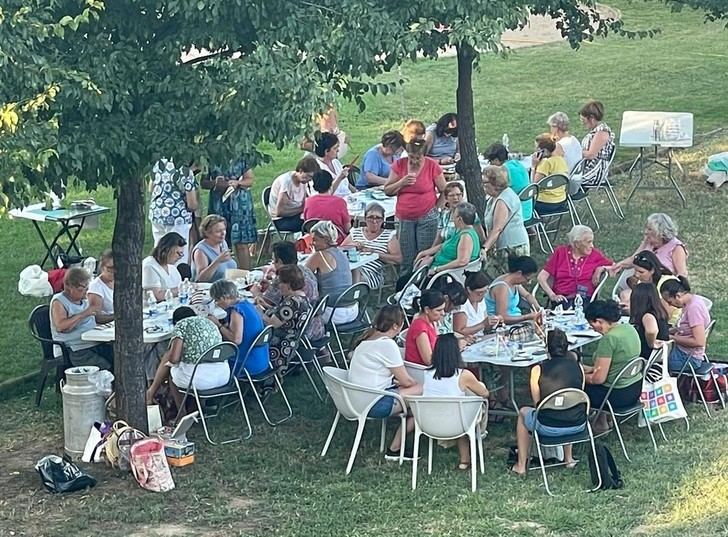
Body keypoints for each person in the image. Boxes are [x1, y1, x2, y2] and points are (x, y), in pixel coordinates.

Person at [347, 306, 422, 460]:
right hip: (375, 403)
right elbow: (406, 380)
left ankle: (397, 446)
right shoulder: (387, 344)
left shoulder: (366, 340)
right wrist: (416, 384)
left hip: (354, 401)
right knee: (426, 392)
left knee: (417, 397)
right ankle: (395, 448)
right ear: (396, 326)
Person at [509, 329, 585, 476]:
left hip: (549, 426)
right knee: (569, 405)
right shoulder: (578, 367)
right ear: (567, 347)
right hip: (578, 423)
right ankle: (568, 459)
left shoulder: (537, 370)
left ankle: (521, 465)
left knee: (523, 412)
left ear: (546, 348)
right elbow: (578, 397)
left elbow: (537, 403)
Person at [423, 333, 489, 470]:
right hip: (459, 422)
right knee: (475, 396)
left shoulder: (426, 374)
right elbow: (485, 394)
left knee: (458, 405)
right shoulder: (464, 375)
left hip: (430, 423)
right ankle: (480, 435)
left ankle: (465, 461)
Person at [146, 306, 228, 408]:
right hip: (223, 376)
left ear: (176, 322)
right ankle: (202, 406)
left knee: (172, 372)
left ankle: (181, 412)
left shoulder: (182, 325)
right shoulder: (210, 324)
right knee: (198, 366)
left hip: (200, 381)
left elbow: (174, 359)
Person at [384, 137, 446, 271]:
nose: (415, 161)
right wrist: (402, 182)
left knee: (424, 254)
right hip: (404, 217)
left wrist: (436, 209)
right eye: (412, 157)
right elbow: (387, 190)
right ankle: (405, 283)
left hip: (427, 216)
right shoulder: (399, 165)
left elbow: (444, 190)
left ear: (424, 155)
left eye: (418, 157)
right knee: (406, 256)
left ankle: (422, 284)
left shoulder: (432, 166)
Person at [583, 300, 642, 431]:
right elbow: (618, 363)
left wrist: (579, 375)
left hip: (616, 396)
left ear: (598, 321)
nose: (592, 329)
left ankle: (593, 423)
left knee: (575, 386)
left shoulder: (609, 339)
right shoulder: (629, 328)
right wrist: (591, 369)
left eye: (592, 325)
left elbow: (598, 379)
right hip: (634, 388)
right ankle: (602, 419)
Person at [256, 242, 322, 341]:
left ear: (280, 261)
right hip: (314, 324)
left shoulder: (283, 280)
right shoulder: (306, 271)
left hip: (296, 335)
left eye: (274, 261)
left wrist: (255, 292)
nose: (273, 264)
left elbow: (271, 317)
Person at [50, 268, 113, 370]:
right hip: (75, 349)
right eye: (82, 289)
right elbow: (61, 327)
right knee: (105, 367)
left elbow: (97, 318)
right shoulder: (59, 301)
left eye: (87, 288)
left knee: (119, 357)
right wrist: (84, 314)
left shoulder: (83, 301)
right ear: (69, 286)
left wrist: (115, 317)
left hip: (93, 342)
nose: (85, 292)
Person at [536, 225, 612, 307]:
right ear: (577, 244)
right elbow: (541, 277)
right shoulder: (560, 253)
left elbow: (615, 267)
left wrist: (601, 268)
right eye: (589, 242)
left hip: (585, 299)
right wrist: (552, 295)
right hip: (562, 299)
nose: (592, 246)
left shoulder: (594, 254)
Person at [201, 158, 257, 269]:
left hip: (239, 204)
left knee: (241, 242)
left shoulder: (241, 156)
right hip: (219, 203)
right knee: (220, 240)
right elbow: (203, 183)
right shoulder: (210, 156)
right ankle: (223, 273)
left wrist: (238, 183)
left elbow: (249, 180)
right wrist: (215, 183)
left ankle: (245, 274)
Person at [209, 279, 269, 377]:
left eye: (217, 300)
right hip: (262, 360)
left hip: (246, 363)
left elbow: (236, 340)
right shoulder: (247, 304)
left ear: (224, 297)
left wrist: (218, 324)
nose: (216, 303)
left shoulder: (236, 311)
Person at [258, 265, 312, 372]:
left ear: (288, 285)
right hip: (292, 340)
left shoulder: (291, 303)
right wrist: (265, 305)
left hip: (280, 344)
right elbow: (282, 314)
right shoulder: (302, 298)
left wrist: (257, 312)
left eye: (280, 283)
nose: (279, 286)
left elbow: (270, 324)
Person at [481, 165, 530, 275]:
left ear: (495, 184)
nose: (483, 186)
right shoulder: (494, 197)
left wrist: (485, 248)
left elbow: (498, 228)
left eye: (485, 183)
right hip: (503, 245)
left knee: (510, 279)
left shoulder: (504, 199)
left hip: (512, 246)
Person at [304, 220, 356, 324]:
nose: (312, 244)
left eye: (315, 240)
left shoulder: (319, 256)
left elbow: (301, 274)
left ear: (326, 239)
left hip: (334, 313)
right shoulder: (342, 254)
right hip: (353, 311)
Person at [341, 202, 403, 289]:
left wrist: (375, 253)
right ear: (365, 219)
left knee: (354, 272)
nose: (374, 221)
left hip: (372, 272)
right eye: (371, 218)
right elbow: (340, 250)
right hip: (349, 267)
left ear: (383, 220)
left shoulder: (388, 236)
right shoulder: (355, 232)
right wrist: (352, 245)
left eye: (378, 218)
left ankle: (353, 299)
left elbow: (398, 259)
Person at [148, 158, 198, 264]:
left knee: (159, 247)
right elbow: (192, 203)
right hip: (177, 218)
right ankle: (177, 277)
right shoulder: (185, 172)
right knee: (178, 252)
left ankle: (159, 274)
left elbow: (151, 189)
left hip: (157, 214)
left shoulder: (159, 164)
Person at [660, 277, 712, 373]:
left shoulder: (694, 308)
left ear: (678, 296)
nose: (670, 305)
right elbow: (687, 328)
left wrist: (671, 337)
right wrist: (672, 330)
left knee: (656, 364)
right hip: (684, 352)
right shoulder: (691, 301)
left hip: (688, 358)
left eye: (670, 302)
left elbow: (699, 341)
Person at [414, 202, 480, 275]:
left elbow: (462, 261)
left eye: (454, 216)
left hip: (444, 275)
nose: (453, 219)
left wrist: (437, 269)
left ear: (459, 219)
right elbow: (445, 245)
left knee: (403, 281)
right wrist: (424, 253)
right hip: (435, 267)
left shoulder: (466, 236)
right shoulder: (460, 231)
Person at [613, 213, 688, 277]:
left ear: (661, 232)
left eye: (650, 229)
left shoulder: (676, 247)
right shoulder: (648, 242)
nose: (645, 232)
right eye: (646, 228)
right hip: (641, 283)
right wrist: (619, 265)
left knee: (626, 294)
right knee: (625, 293)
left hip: (662, 288)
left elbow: (682, 274)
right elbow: (634, 259)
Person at [618, 250, 675, 319]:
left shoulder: (666, 283)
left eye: (641, 272)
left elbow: (667, 314)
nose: (636, 275)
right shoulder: (642, 281)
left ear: (652, 270)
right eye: (635, 270)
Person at [482, 143, 532, 221]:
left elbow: (496, 193)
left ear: (496, 160)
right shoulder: (518, 164)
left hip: (515, 215)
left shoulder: (503, 172)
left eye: (490, 162)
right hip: (528, 210)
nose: (490, 164)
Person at [268, 156, 318, 233]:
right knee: (311, 225)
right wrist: (302, 209)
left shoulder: (303, 181)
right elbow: (279, 212)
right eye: (309, 176)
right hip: (281, 220)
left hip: (297, 215)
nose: (310, 180)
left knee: (319, 218)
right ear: (301, 171)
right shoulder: (287, 183)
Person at [485, 256, 541, 325]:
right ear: (519, 273)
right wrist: (526, 317)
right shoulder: (502, 288)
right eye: (528, 279)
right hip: (504, 325)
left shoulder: (514, 282)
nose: (529, 282)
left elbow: (527, 295)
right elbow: (502, 317)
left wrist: (539, 308)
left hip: (516, 318)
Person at [303, 170, 351, 243]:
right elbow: (347, 229)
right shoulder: (339, 202)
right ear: (330, 184)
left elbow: (307, 223)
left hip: (316, 240)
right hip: (336, 241)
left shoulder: (308, 202)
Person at [432, 182, 485, 247]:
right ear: (446, 198)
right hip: (447, 250)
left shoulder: (470, 213)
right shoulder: (444, 215)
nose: (455, 198)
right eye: (451, 195)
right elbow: (439, 238)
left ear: (462, 195)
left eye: (458, 195)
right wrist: (430, 253)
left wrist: (483, 249)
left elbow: (481, 237)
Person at [579, 100, 615, 188]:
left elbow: (591, 155)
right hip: (588, 168)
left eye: (583, 120)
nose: (582, 123)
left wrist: (575, 151)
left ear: (591, 118)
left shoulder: (602, 132)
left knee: (567, 181)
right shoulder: (596, 131)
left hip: (595, 172)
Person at [453, 271, 502, 337]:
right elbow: (459, 331)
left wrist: (494, 322)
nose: (482, 295)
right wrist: (483, 324)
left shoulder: (481, 302)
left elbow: (486, 328)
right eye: (479, 293)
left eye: (485, 291)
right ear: (469, 290)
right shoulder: (462, 305)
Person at [191, 214, 237, 283]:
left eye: (224, 230)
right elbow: (201, 278)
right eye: (218, 231)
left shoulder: (223, 243)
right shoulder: (200, 251)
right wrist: (218, 261)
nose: (223, 233)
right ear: (207, 233)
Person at [530, 133, 569, 215]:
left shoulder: (545, 163)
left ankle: (533, 227)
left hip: (544, 203)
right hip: (561, 201)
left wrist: (533, 167)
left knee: (524, 201)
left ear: (544, 151)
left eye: (537, 148)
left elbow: (533, 185)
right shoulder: (561, 160)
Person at [404, 289, 445, 366]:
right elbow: (429, 360)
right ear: (427, 310)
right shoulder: (420, 328)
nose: (443, 313)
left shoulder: (431, 322)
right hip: (422, 372)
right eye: (439, 310)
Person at [630, 283, 669, 360]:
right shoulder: (660, 312)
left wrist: (652, 343)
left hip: (647, 357)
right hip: (659, 357)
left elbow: (652, 331)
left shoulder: (648, 316)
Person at [142, 232, 185, 301]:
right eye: (178, 253)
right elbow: (156, 296)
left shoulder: (171, 267)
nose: (180, 257)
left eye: (181, 254)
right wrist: (183, 288)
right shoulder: (149, 266)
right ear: (167, 250)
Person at [314, 131, 355, 197]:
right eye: (335, 148)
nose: (338, 150)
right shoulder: (318, 169)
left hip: (349, 199)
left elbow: (346, 185)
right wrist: (339, 178)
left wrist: (358, 193)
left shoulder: (336, 162)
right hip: (334, 202)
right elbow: (325, 195)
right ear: (326, 151)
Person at [87, 249, 114, 323]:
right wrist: (118, 316)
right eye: (110, 269)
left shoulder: (119, 282)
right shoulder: (96, 287)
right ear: (102, 267)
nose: (114, 272)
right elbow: (97, 317)